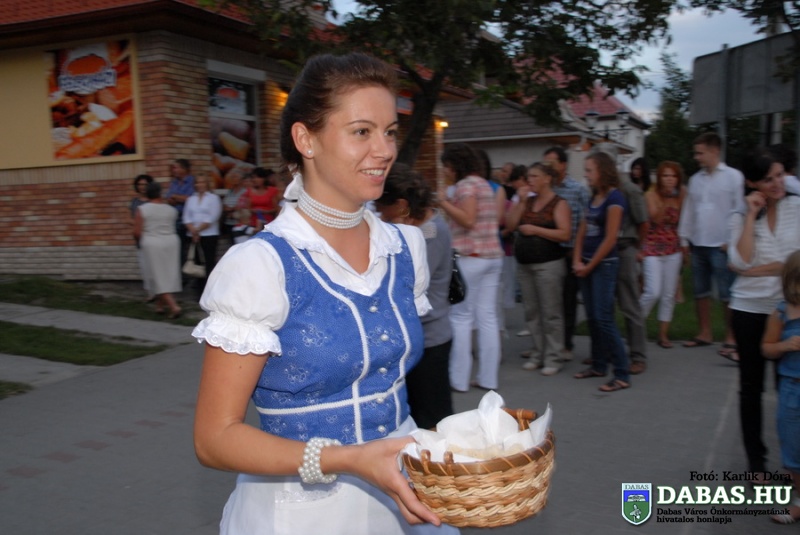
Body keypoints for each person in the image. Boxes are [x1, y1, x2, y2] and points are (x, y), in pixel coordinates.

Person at [192, 52, 454, 534]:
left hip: (404, 489)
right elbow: (214, 439)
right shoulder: (260, 266)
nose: (384, 150)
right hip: (303, 510)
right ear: (305, 139)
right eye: (362, 131)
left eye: (390, 131)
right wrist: (346, 459)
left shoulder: (405, 247)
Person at [728, 147, 800, 484]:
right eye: (768, 179)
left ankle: (792, 466)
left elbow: (793, 263)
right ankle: (756, 465)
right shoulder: (740, 214)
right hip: (748, 309)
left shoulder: (796, 207)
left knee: (790, 390)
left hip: (789, 311)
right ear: (753, 183)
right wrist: (750, 215)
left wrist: (763, 269)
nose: (777, 183)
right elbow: (739, 262)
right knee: (750, 389)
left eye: (780, 175)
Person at [374, 162, 454, 430]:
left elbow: (407, 284)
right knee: (420, 414)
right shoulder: (426, 226)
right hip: (423, 333)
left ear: (400, 205)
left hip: (430, 336)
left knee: (433, 420)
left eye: (382, 208)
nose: (380, 215)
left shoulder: (429, 233)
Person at [437, 143, 503, 392]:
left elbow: (467, 219)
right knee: (487, 317)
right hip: (492, 255)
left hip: (470, 256)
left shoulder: (465, 186)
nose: (445, 171)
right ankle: (488, 378)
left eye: (446, 166)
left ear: (454, 166)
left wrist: (443, 202)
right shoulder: (484, 184)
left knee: (461, 317)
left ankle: (458, 379)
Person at [678, 132, 745, 355]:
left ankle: (731, 337)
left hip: (721, 245)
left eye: (700, 153)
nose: (696, 157)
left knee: (727, 294)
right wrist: (684, 238)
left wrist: (732, 241)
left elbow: (740, 211)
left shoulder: (733, 177)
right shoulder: (695, 179)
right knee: (700, 291)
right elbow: (689, 209)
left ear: (715, 151)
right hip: (698, 243)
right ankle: (704, 333)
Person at [572, 151, 631, 392]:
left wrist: (589, 266)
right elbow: (582, 229)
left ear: (603, 171)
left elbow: (610, 239)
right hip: (586, 263)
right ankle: (598, 364)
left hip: (604, 265)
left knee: (604, 317)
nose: (586, 175)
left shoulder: (615, 199)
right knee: (593, 317)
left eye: (589, 170)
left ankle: (622, 372)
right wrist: (577, 259)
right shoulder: (594, 197)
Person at [506, 162, 571, 375]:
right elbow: (511, 225)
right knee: (532, 312)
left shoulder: (558, 203)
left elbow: (565, 234)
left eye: (534, 176)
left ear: (547, 179)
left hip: (548, 264)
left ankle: (554, 356)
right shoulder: (527, 201)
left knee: (551, 312)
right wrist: (521, 202)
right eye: (528, 177)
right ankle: (537, 352)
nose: (530, 180)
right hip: (526, 264)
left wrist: (535, 229)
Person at [761, 250, 800, 524]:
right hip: (792, 389)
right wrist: (785, 345)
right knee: (793, 447)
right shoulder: (782, 311)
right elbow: (766, 347)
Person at [543, 146, 590, 362]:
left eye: (551, 163)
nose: (547, 167)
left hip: (570, 250)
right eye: (545, 163)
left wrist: (578, 252)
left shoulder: (577, 190)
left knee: (567, 300)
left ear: (563, 165)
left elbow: (586, 222)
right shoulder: (545, 189)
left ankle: (566, 344)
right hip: (548, 251)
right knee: (549, 301)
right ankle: (550, 344)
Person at [639, 161, 687, 349]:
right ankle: (636, 323)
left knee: (668, 294)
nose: (669, 179)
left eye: (673, 176)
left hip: (673, 249)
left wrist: (684, 247)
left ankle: (663, 335)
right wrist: (666, 198)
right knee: (653, 291)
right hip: (652, 248)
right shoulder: (651, 195)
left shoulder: (682, 195)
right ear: (659, 178)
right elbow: (656, 218)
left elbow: (684, 221)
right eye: (666, 175)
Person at [616, 163, 649, 374]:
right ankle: (606, 351)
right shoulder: (600, 189)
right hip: (606, 251)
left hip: (625, 248)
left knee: (629, 304)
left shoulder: (630, 189)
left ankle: (638, 355)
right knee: (603, 307)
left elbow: (643, 222)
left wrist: (638, 249)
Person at [133, 181, 182, 318]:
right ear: (160, 193)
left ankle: (174, 306)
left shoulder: (143, 209)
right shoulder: (171, 210)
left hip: (152, 242)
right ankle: (159, 306)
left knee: (156, 275)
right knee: (167, 273)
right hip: (171, 241)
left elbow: (137, 231)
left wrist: (140, 241)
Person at [183, 173, 223, 290]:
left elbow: (213, 217)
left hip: (209, 234)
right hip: (193, 235)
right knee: (197, 262)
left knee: (209, 261)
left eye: (202, 182)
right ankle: (200, 289)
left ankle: (210, 288)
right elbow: (186, 217)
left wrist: (198, 229)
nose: (199, 185)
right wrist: (193, 230)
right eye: (197, 182)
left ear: (207, 184)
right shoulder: (191, 199)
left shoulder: (213, 198)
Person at [166, 158, 196, 272]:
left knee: (191, 248)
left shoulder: (192, 181)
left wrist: (176, 197)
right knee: (179, 248)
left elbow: (191, 199)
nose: (174, 170)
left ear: (184, 169)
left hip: (190, 220)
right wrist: (178, 198)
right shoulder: (174, 183)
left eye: (176, 167)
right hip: (176, 219)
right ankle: (181, 274)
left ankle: (192, 273)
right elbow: (169, 198)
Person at [130, 174, 154, 301]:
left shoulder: (153, 201)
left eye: (145, 184)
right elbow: (128, 218)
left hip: (153, 237)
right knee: (144, 266)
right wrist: (138, 224)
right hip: (140, 238)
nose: (142, 187)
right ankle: (150, 292)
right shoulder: (135, 202)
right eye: (140, 184)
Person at [221, 167, 249, 245]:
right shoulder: (230, 192)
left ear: (241, 179)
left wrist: (231, 209)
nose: (233, 179)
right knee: (232, 244)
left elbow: (242, 206)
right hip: (229, 223)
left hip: (240, 223)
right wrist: (229, 209)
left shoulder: (245, 192)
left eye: (235, 177)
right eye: (232, 177)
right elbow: (225, 204)